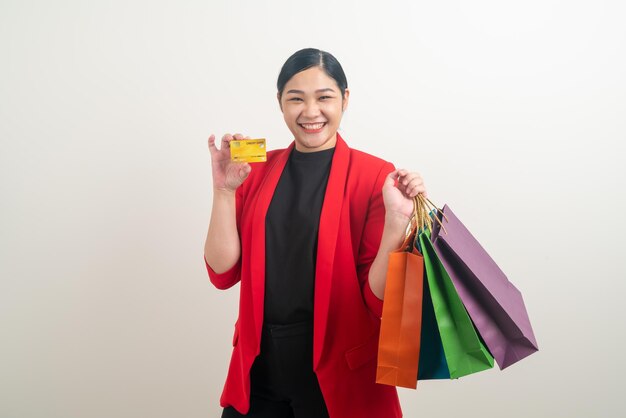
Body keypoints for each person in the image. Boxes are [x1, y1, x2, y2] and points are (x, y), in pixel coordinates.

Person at [204, 48, 427, 418]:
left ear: (345, 99)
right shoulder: (256, 168)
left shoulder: (375, 175)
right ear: (280, 103)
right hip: (259, 370)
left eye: (324, 97)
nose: (310, 112)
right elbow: (223, 273)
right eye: (296, 98)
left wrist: (396, 222)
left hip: (339, 379)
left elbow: (380, 301)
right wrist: (224, 192)